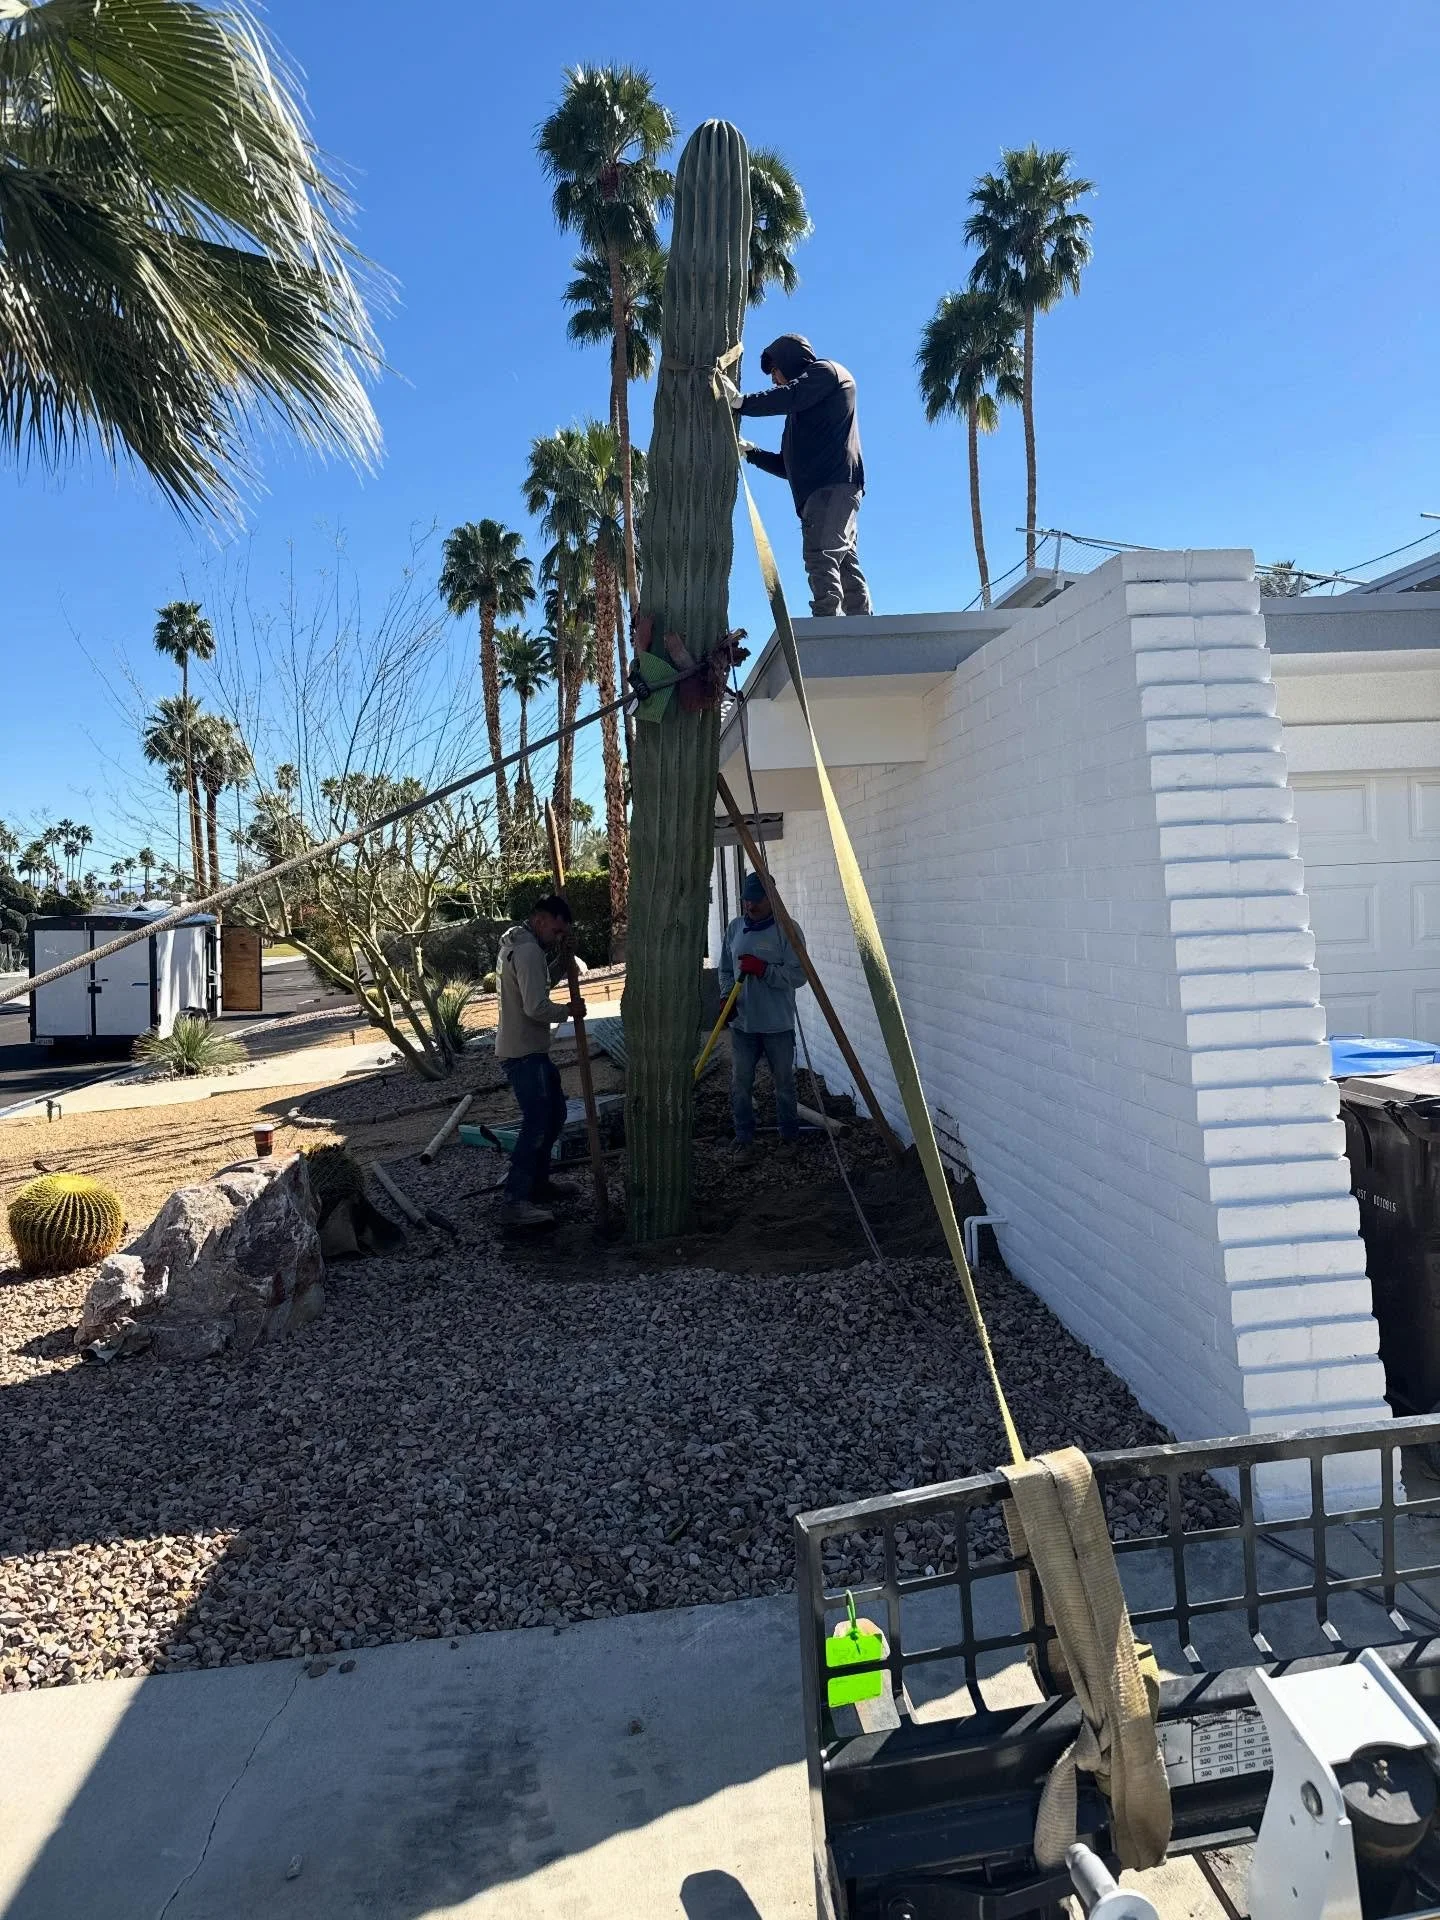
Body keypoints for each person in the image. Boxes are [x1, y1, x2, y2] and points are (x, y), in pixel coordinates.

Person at [732, 333, 872, 619]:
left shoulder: (827, 372)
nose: (773, 379)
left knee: (821, 555)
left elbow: (790, 395)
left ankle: (827, 625)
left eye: (774, 371)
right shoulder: (803, 412)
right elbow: (788, 467)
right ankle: (862, 628)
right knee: (842, 561)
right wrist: (751, 453)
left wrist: (741, 403)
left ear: (790, 361)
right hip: (829, 490)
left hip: (831, 488)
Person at [494, 895, 579, 1227]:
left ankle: (538, 1185)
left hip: (525, 1049)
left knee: (554, 1114)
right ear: (541, 920)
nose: (558, 937)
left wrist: (562, 959)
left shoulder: (520, 942)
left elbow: (538, 985)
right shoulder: (527, 950)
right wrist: (569, 1011)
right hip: (524, 1052)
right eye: (557, 931)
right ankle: (515, 1201)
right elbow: (536, 1006)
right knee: (538, 1122)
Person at [718, 871, 808, 1167]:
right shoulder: (734, 929)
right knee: (740, 1083)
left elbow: (798, 976)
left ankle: (789, 1138)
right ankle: (744, 1139)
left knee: (783, 1083)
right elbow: (725, 970)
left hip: (776, 1025)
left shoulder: (788, 931)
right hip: (743, 1024)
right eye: (746, 900)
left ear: (772, 899)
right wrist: (725, 998)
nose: (750, 906)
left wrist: (765, 970)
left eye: (756, 901)